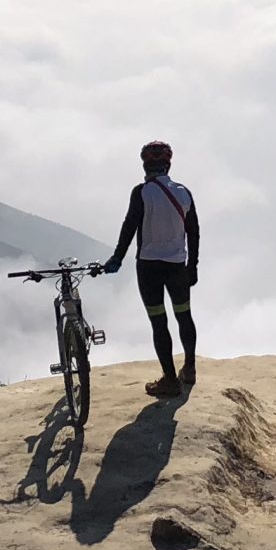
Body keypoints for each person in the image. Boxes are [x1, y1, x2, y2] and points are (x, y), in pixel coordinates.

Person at [98, 140, 199, 397]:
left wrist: (116, 258)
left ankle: (169, 379)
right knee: (184, 315)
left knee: (159, 322)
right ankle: (189, 369)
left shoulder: (141, 192)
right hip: (178, 266)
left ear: (145, 164)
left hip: (149, 267)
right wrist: (192, 266)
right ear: (168, 164)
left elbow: (130, 227)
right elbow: (193, 232)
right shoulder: (183, 192)